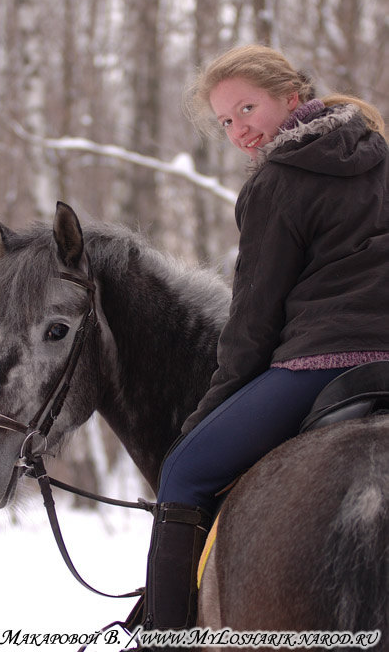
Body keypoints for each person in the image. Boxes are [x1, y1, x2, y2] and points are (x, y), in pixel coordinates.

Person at [124, 44, 389, 636]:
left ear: (291, 97)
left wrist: (210, 410)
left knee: (184, 474)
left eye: (248, 108)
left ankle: (164, 638)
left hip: (323, 359)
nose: (240, 129)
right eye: (226, 120)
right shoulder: (381, 157)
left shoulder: (278, 180)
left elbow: (253, 321)